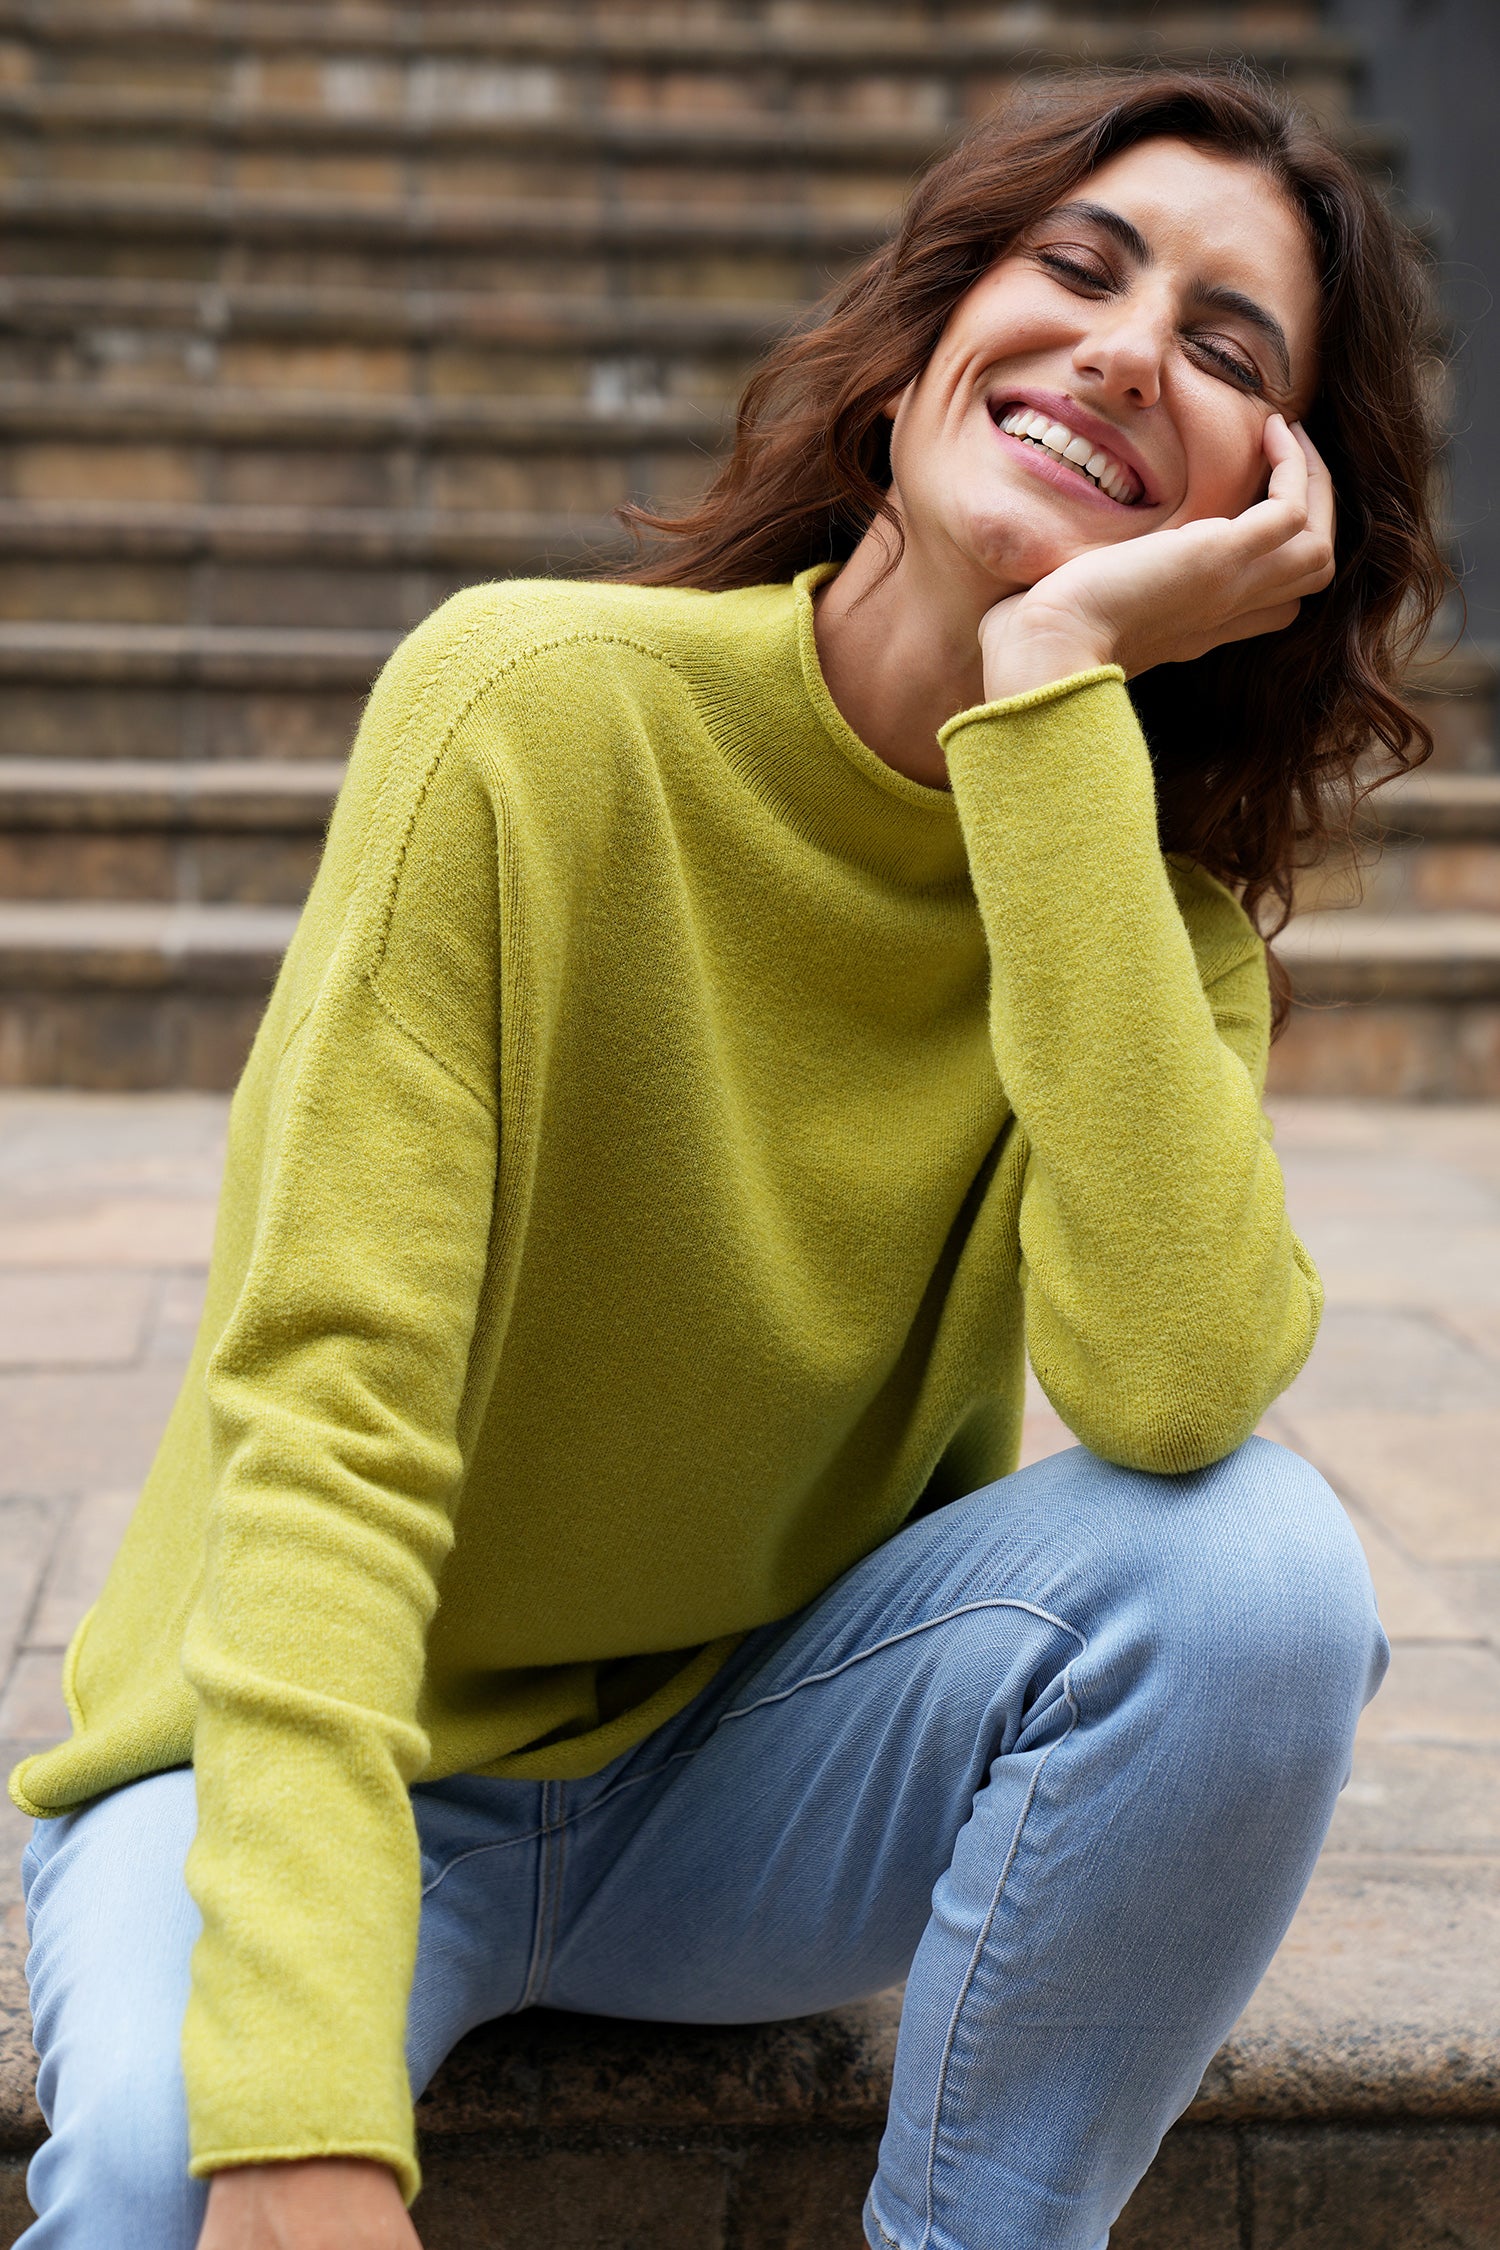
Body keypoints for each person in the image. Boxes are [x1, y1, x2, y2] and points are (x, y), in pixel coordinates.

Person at [12, 66, 1448, 2250]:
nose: (1130, 347)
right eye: (1077, 265)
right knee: (142, 2176)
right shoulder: (527, 716)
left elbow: (1172, 1392)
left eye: (1230, 350)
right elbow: (324, 1426)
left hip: (735, 1808)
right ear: (919, 349)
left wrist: (1047, 692)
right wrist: (291, 2111)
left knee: (1260, 1574)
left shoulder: (1134, 932)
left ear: (1272, 512)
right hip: (319, 1759)